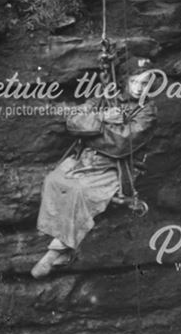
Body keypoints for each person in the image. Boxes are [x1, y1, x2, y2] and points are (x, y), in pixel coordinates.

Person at [31, 57, 158, 279]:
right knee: (53, 180)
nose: (140, 88)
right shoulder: (105, 96)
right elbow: (73, 121)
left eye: (146, 82)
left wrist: (90, 134)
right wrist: (102, 117)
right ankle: (64, 248)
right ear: (125, 80)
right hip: (89, 158)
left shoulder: (147, 111)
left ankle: (56, 251)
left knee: (80, 191)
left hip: (118, 167)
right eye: (136, 81)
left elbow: (122, 143)